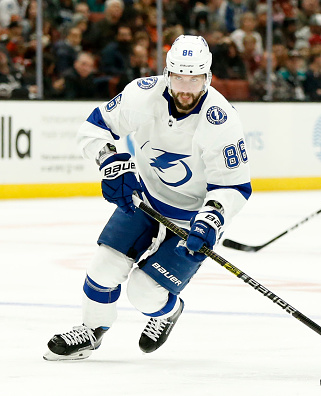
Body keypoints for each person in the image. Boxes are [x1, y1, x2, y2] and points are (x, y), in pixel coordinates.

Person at [44, 35, 252, 361]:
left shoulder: (221, 120)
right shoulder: (142, 95)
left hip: (194, 217)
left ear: (207, 78)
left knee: (144, 293)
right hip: (146, 199)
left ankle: (168, 312)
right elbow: (94, 128)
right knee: (103, 269)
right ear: (168, 74)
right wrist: (110, 162)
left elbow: (235, 187)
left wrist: (211, 220)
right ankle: (92, 329)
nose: (186, 88)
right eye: (180, 77)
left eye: (194, 79)